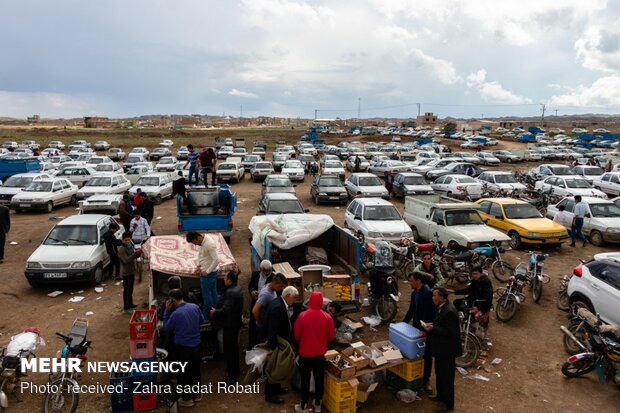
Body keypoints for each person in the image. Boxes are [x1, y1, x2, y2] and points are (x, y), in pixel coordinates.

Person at [294, 291, 335, 413]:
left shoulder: (302, 315)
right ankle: (317, 404)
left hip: (305, 355)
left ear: (310, 301)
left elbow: (296, 336)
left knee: (305, 380)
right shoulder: (328, 317)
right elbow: (331, 337)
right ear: (322, 302)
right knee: (319, 380)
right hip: (319, 355)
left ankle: (303, 406)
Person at [162, 288, 204, 407]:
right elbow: (201, 321)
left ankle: (187, 399)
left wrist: (166, 311)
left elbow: (166, 328)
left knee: (183, 373)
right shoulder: (194, 307)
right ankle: (197, 395)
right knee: (195, 370)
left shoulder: (175, 314)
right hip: (196, 345)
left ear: (172, 300)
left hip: (182, 348)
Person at [423, 287, 461, 413]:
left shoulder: (450, 311)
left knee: (447, 378)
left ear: (442, 297)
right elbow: (440, 323)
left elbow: (450, 332)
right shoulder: (441, 306)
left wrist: (432, 328)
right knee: (439, 373)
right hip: (440, 348)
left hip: (447, 350)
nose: (433, 298)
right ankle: (440, 396)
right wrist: (431, 325)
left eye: (435, 295)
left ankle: (448, 404)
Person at [263, 286, 299, 404]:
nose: (294, 301)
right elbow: (272, 329)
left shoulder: (279, 303)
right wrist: (272, 347)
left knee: (278, 366)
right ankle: (270, 394)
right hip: (276, 343)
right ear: (288, 295)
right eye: (293, 298)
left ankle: (277, 388)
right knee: (274, 367)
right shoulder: (278, 307)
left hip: (279, 341)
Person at [403, 272, 436, 393]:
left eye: (411, 281)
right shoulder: (414, 294)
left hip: (426, 329)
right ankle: (417, 377)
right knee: (417, 353)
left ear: (418, 281)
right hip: (416, 326)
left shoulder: (427, 293)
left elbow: (430, 313)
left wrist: (424, 330)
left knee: (426, 354)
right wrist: (403, 323)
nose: (410, 283)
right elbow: (411, 310)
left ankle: (426, 380)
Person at [210, 271, 243, 384]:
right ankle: (235, 371)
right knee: (233, 349)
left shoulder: (230, 292)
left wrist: (215, 312)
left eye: (225, 277)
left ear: (229, 279)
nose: (224, 279)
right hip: (235, 323)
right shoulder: (237, 289)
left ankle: (231, 377)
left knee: (229, 351)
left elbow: (226, 310)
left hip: (230, 325)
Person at [186, 231, 220, 320]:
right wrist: (198, 267)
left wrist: (207, 272)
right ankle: (216, 313)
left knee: (207, 298)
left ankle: (205, 318)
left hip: (208, 275)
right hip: (207, 272)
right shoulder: (202, 243)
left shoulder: (209, 244)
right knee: (214, 295)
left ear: (198, 238)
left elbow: (216, 260)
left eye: (194, 242)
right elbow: (203, 257)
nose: (195, 245)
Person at [453, 266, 493, 331]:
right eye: (473, 274)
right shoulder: (474, 281)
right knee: (456, 302)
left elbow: (488, 298)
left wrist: (479, 307)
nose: (474, 276)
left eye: (476, 274)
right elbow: (468, 290)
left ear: (481, 273)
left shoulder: (486, 283)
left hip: (481, 304)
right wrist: (454, 292)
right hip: (472, 300)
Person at [252, 273, 287, 342]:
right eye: (281, 286)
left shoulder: (269, 286)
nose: (282, 289)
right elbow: (255, 310)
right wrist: (261, 323)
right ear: (275, 283)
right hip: (263, 326)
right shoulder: (266, 294)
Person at [248, 260, 275, 349]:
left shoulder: (273, 278)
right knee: (252, 326)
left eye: (269, 271)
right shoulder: (255, 275)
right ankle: (251, 346)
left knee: (262, 327)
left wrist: (263, 293)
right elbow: (250, 285)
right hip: (255, 302)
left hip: (264, 307)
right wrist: (252, 291)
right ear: (261, 269)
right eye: (265, 271)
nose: (267, 273)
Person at [118, 231, 141, 313]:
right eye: (126, 240)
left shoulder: (130, 245)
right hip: (126, 273)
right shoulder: (121, 249)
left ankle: (130, 304)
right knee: (127, 291)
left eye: (129, 239)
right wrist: (135, 254)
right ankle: (126, 308)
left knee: (130, 289)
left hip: (131, 271)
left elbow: (134, 255)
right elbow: (126, 260)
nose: (127, 241)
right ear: (122, 240)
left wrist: (138, 252)